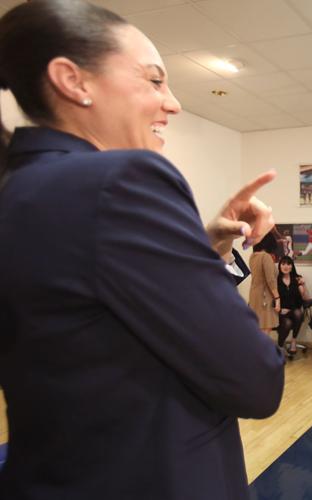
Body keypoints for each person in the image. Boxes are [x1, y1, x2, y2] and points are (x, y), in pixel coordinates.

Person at [0, 2, 284, 499]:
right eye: (155, 81)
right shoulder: (121, 180)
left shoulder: (18, 188)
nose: (173, 103)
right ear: (73, 80)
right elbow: (256, 381)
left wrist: (207, 245)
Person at [248, 232, 280, 335]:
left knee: (258, 327)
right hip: (265, 296)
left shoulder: (253, 256)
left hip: (254, 295)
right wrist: (277, 298)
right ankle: (260, 350)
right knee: (265, 327)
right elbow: (270, 280)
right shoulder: (265, 256)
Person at [277, 256, 308, 355]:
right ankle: (280, 346)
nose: (286, 266)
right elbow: (272, 299)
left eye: (288, 264)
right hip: (281, 313)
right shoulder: (275, 280)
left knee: (298, 313)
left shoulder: (297, 279)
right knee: (287, 323)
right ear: (280, 266)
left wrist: (302, 286)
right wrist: (280, 309)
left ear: (292, 266)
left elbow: (304, 298)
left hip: (294, 311)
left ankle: (293, 341)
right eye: (283, 264)